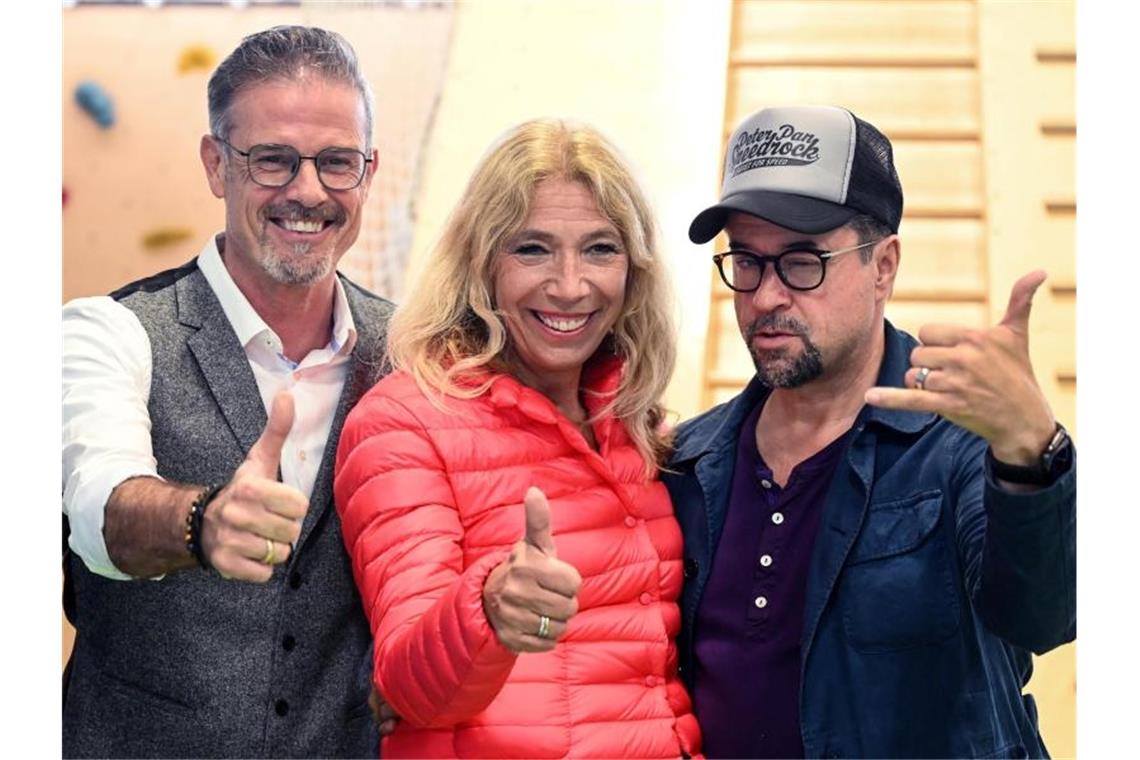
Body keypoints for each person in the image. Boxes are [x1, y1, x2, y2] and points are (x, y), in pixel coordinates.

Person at [664, 105, 1075, 758]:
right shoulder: (686, 462)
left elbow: (1044, 615)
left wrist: (1031, 455)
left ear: (883, 266)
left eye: (802, 261)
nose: (767, 296)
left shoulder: (962, 443)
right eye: (746, 262)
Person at [61, 26, 395, 758]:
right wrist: (202, 522)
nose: (308, 191)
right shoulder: (107, 333)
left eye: (337, 163)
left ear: (368, 172)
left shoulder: (410, 354)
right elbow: (98, 506)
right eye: (272, 160)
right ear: (218, 165)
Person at [334, 118, 701, 758]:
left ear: (634, 268)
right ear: (482, 263)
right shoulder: (404, 422)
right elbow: (408, 688)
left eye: (600, 249)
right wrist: (489, 609)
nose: (568, 285)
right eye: (531, 249)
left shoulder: (638, 425)